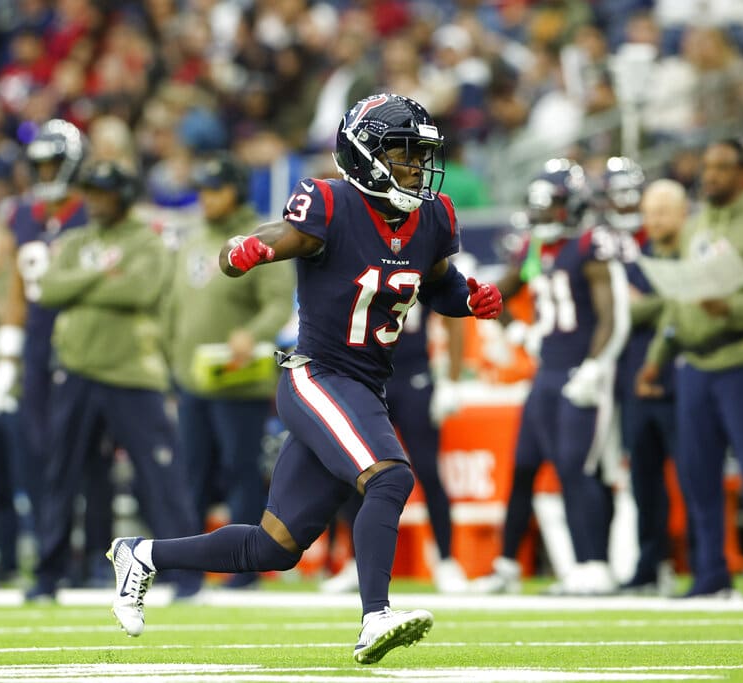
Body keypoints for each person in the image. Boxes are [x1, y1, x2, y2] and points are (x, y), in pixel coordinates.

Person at [105, 93, 502, 664]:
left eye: (420, 155)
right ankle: (375, 616)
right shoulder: (330, 202)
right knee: (389, 477)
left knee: (275, 545)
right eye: (403, 154)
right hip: (316, 375)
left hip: (364, 386)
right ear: (366, 156)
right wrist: (248, 249)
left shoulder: (433, 215)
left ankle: (141, 555)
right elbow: (286, 236)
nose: (416, 167)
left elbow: (439, 281)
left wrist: (469, 297)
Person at [27, 159, 202, 600]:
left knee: (160, 478)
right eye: (90, 192)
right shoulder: (75, 241)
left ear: (123, 195)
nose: (94, 200)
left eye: (103, 193)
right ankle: (48, 576)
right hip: (78, 371)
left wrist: (78, 287)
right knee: (60, 476)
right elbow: (48, 289)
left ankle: (186, 576)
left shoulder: (147, 241)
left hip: (132, 374)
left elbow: (140, 291)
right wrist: (100, 274)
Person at [637, 137, 743, 599]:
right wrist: (656, 360)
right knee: (697, 475)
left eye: (721, 167)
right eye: (707, 166)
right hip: (695, 366)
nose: (711, 175)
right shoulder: (696, 227)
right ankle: (711, 574)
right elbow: (677, 305)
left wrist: (734, 309)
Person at [472, 157, 630, 596]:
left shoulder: (589, 245)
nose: (544, 216)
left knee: (576, 467)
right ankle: (506, 566)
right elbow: (498, 294)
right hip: (547, 373)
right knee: (523, 467)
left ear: (573, 206)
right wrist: (518, 330)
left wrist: (596, 367)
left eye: (553, 206)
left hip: (583, 370)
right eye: (539, 207)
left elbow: (613, 316)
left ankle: (593, 563)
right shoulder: (535, 249)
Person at [0, 119, 115, 592]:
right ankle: (55, 557)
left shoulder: (94, 209)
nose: (45, 171)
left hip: (88, 342)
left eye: (52, 162)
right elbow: (15, 285)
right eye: (39, 163)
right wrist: (8, 354)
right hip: (40, 345)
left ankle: (102, 557)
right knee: (46, 456)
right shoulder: (22, 216)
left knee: (94, 458)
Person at [165, 154, 295, 589]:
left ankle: (245, 566)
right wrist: (168, 355)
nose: (206, 199)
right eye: (201, 190)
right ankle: (186, 566)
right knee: (192, 472)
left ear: (235, 191)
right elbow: (174, 303)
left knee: (241, 470)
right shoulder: (192, 237)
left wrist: (252, 333)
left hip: (238, 377)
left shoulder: (260, 236)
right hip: (191, 377)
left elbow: (279, 301)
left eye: (215, 190)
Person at [321, 304, 469, 594]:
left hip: (414, 375)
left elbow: (453, 315)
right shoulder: (358, 259)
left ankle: (447, 561)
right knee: (357, 472)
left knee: (427, 469)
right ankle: (355, 563)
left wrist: (451, 381)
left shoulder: (423, 259)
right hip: (367, 377)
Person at [615, 178, 687, 593]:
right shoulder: (635, 258)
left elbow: (656, 308)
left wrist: (656, 302)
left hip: (679, 383)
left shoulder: (693, 254)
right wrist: (674, 298)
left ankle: (701, 561)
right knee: (644, 483)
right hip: (636, 385)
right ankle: (651, 563)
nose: (654, 219)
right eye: (650, 211)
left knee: (694, 478)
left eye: (663, 211)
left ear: (682, 213)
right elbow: (627, 312)